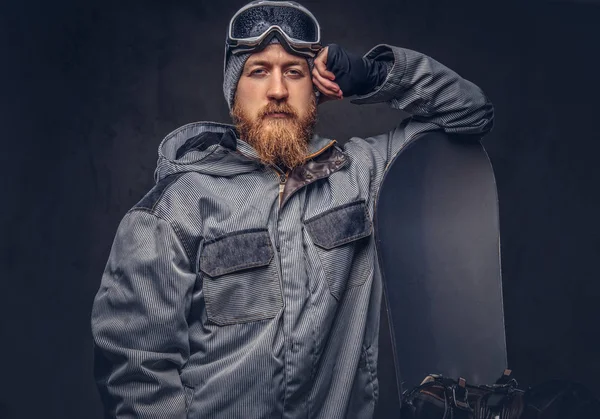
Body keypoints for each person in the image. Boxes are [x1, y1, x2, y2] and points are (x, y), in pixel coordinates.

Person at [91, 1, 495, 418]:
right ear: (235, 92)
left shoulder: (363, 175)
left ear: (318, 87)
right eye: (259, 71)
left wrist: (375, 77)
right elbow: (137, 371)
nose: (278, 90)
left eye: (294, 72)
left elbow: (472, 113)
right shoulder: (174, 210)